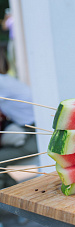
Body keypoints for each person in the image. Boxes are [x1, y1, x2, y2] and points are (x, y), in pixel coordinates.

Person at [0, 46, 37, 189]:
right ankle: (13, 196)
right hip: (27, 130)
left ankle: (11, 199)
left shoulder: (1, 82)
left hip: (35, 134)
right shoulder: (6, 80)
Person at [1, 8, 16, 77]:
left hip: (14, 40)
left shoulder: (11, 20)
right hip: (13, 39)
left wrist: (5, 18)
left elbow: (4, 27)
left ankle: (15, 72)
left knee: (12, 57)